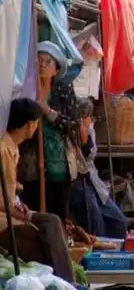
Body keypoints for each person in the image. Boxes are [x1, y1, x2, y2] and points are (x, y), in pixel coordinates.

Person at [0, 98, 73, 282]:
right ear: (29, 124)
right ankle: (67, 281)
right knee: (47, 243)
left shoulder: (12, 147)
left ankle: (68, 281)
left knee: (53, 221)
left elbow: (9, 189)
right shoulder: (4, 150)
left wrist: (19, 204)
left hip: (11, 213)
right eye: (36, 122)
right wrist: (18, 211)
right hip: (4, 220)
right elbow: (2, 200)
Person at [20, 42, 82, 222]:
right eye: (39, 60)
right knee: (32, 212)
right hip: (31, 162)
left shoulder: (63, 89)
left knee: (58, 214)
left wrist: (48, 112)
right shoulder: (26, 89)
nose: (42, 65)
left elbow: (73, 124)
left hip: (60, 163)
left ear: (56, 69)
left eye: (48, 61)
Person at [70, 98, 127, 239]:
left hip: (94, 185)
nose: (91, 121)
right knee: (97, 227)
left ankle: (116, 249)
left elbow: (89, 155)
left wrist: (85, 137)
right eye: (88, 117)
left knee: (119, 221)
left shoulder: (88, 133)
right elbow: (80, 160)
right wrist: (83, 137)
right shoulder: (71, 136)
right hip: (79, 186)